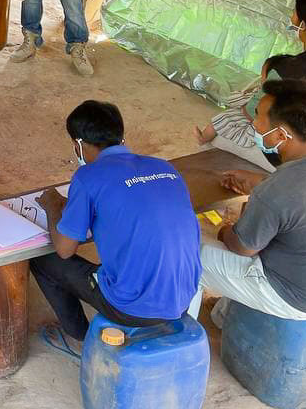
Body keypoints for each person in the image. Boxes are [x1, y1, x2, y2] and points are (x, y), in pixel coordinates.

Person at [200, 79, 306, 327]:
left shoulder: (276, 191)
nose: (253, 123)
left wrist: (225, 230)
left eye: (258, 117)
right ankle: (226, 317)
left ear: (280, 135)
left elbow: (242, 247)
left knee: (192, 255)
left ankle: (182, 335)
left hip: (296, 298)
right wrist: (262, 183)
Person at [30, 101, 201, 346]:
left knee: (43, 260)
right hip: (184, 297)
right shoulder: (164, 167)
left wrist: (52, 206)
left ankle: (80, 336)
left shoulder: (88, 176)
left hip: (131, 308)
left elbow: (65, 250)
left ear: (78, 145)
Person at [196, 0, 306, 171]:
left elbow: (252, 114)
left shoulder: (288, 69)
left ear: (303, 25)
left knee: (220, 131)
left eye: (295, 14)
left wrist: (220, 123)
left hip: (300, 164)